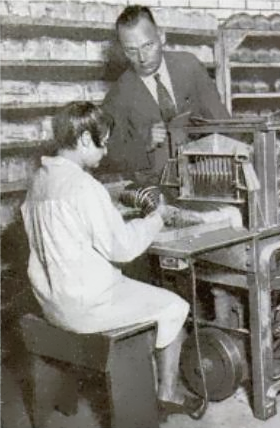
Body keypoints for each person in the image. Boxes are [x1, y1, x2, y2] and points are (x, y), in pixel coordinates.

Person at [21, 102, 202, 417]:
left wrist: (116, 216)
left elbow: (60, 229)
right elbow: (124, 248)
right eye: (102, 143)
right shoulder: (83, 185)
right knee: (175, 306)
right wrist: (156, 217)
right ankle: (167, 395)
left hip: (50, 302)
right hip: (86, 306)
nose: (105, 152)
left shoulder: (40, 180)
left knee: (137, 290)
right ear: (84, 140)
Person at [101, 4, 230, 184]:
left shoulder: (189, 67)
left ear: (161, 37)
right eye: (132, 50)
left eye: (148, 45)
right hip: (155, 189)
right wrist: (144, 143)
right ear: (123, 50)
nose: (142, 58)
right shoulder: (119, 95)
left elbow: (221, 121)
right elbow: (110, 157)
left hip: (204, 177)